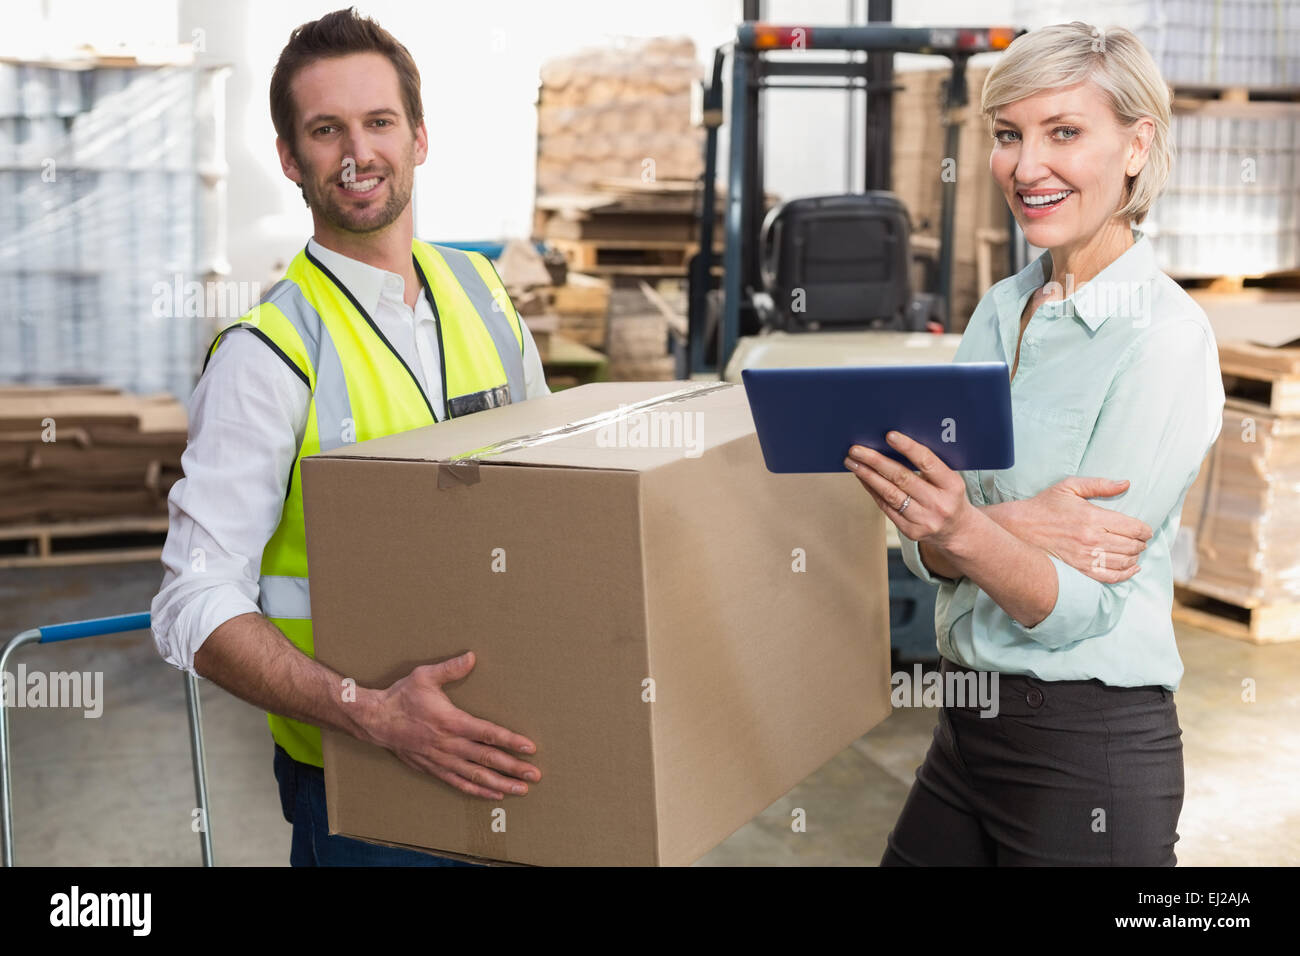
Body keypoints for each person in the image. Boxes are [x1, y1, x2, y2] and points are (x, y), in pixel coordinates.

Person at [151, 8, 549, 866]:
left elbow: (556, 493)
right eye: (326, 131)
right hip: (362, 779)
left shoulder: (483, 293)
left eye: (379, 122)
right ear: (292, 159)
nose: (358, 153)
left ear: (419, 137)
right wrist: (370, 711)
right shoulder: (266, 356)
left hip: (520, 746)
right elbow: (192, 602)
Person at [846, 22, 1225, 866]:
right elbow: (923, 551)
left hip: (1086, 753)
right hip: (966, 730)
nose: (1026, 168)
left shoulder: (1163, 339)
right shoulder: (1001, 306)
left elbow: (1073, 607)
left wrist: (963, 526)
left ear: (1136, 145)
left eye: (1064, 133)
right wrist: (996, 525)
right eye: (1008, 135)